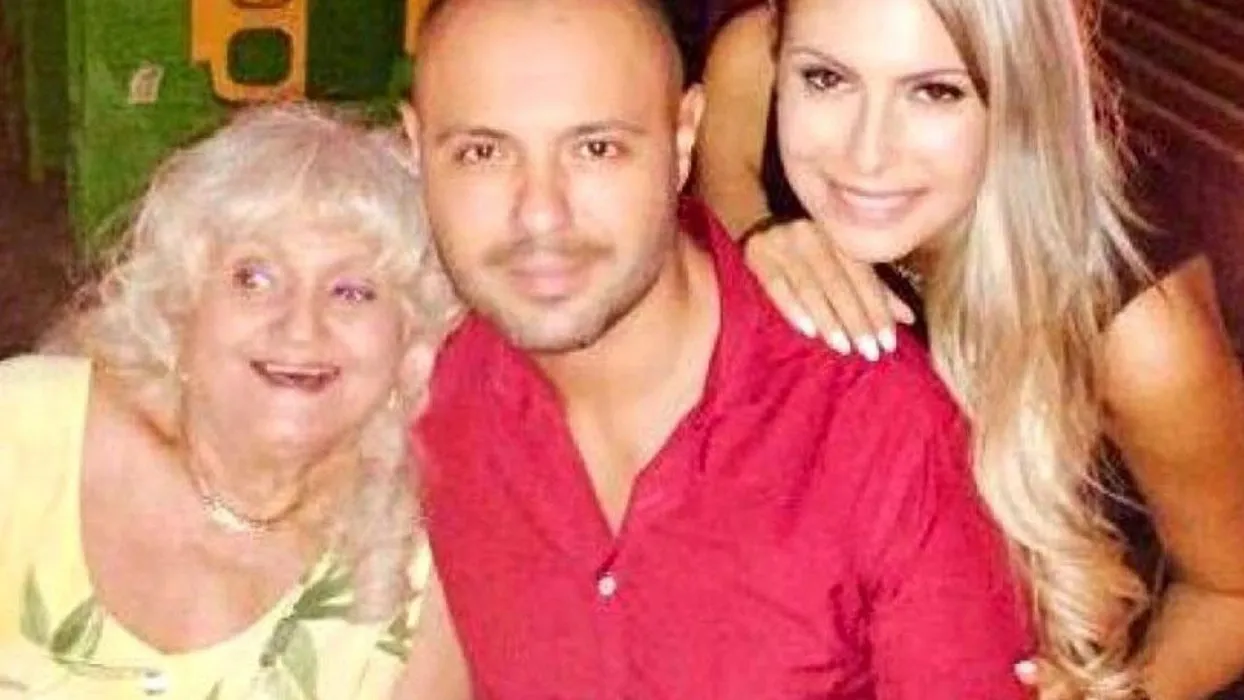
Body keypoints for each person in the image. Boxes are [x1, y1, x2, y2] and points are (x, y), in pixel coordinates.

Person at [404, 0, 1031, 697]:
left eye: (597, 148)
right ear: (415, 148)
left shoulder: (881, 432)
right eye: (482, 153)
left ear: (684, 140)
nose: (540, 214)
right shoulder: (421, 397)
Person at [696, 1, 1244, 698]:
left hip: (1047, 628)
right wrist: (758, 239)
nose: (867, 155)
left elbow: (1231, 591)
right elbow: (722, 187)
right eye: (827, 79)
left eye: (936, 91)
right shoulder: (753, 60)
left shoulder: (1142, 334)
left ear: (1025, 91)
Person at [0, 103, 468, 699]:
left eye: (352, 291)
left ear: (410, 339)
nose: (300, 326)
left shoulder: (421, 569)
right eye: (254, 278)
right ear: (181, 306)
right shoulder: (26, 429)